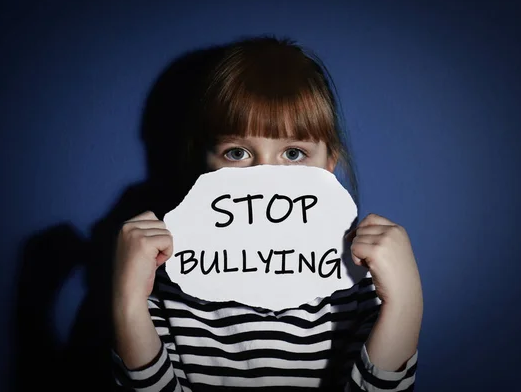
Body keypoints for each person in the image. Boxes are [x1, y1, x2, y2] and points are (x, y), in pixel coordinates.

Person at [111, 36, 423, 391]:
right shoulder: (172, 281)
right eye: (237, 153)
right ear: (204, 168)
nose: (265, 177)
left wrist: (405, 304)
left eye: (293, 154)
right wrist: (128, 302)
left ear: (329, 166)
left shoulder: (355, 284)